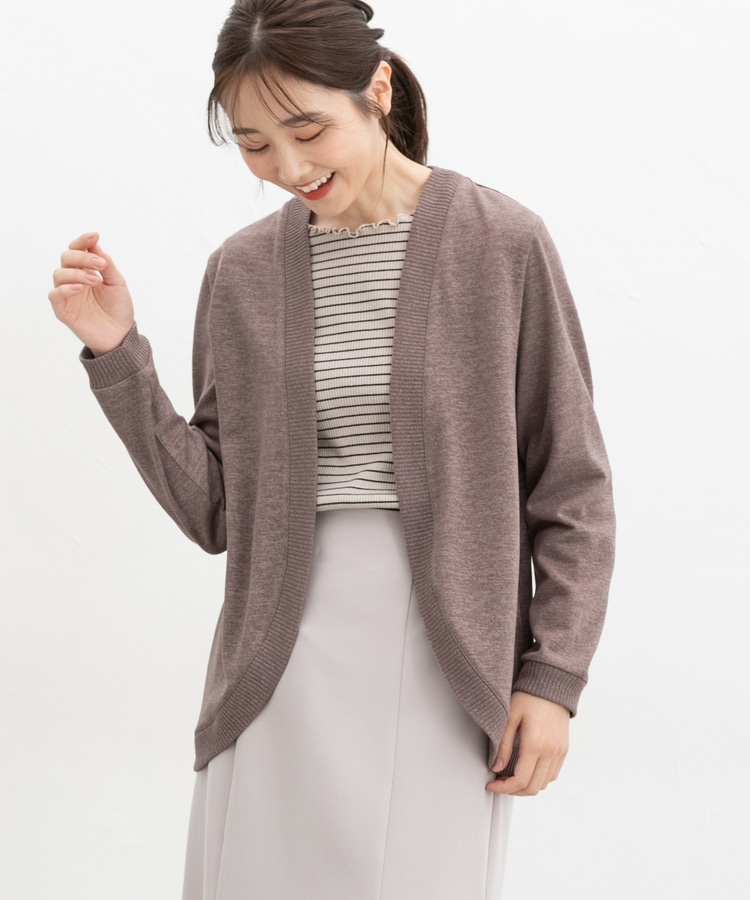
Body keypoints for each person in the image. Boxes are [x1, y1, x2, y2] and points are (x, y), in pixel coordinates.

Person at [48, 1, 615, 897]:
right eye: (254, 144)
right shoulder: (241, 271)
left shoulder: (501, 241)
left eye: (308, 131)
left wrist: (552, 677)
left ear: (376, 91)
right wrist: (118, 354)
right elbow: (215, 510)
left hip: (446, 653)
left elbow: (572, 485)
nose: (288, 167)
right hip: (273, 658)